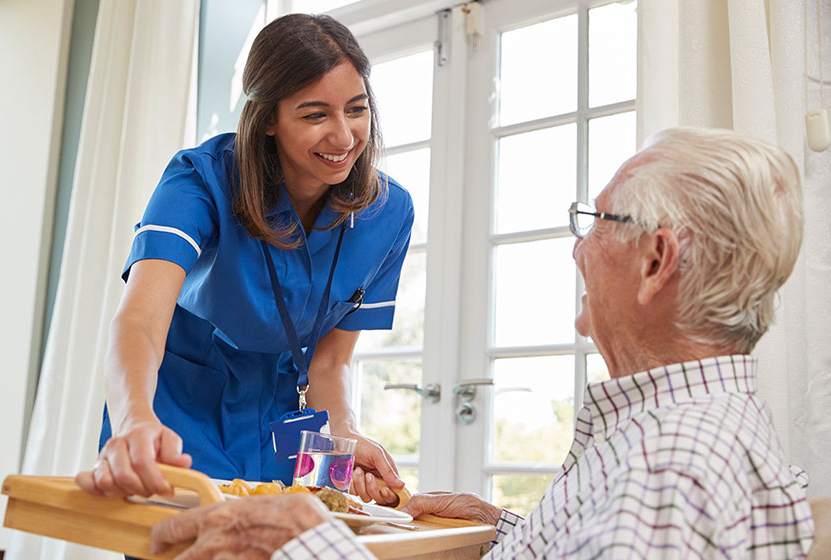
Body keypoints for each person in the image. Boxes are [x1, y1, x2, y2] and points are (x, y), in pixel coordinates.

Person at [146, 127, 815, 559]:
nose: (578, 252)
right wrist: (512, 531)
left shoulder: (672, 465)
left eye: (596, 222)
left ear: (655, 262)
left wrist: (313, 545)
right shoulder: (689, 435)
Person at [75, 13, 412, 506]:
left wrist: (343, 435)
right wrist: (134, 421)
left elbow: (330, 362)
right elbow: (140, 320)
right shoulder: (199, 180)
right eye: (315, 115)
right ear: (269, 118)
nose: (343, 138)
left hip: (288, 430)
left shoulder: (390, 212)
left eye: (356, 110)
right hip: (175, 420)